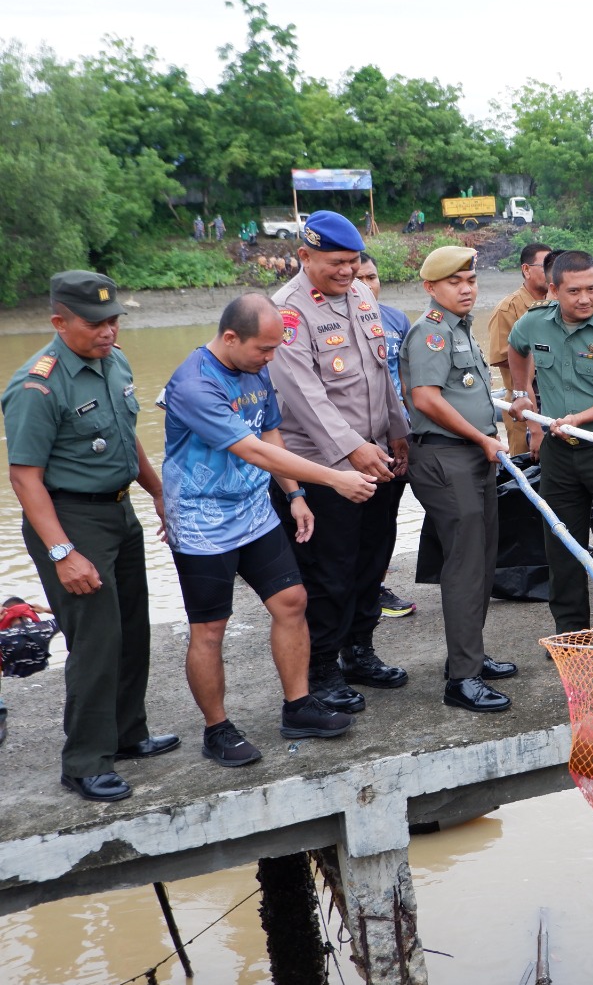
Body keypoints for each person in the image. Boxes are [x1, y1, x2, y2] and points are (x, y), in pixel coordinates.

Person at [161, 294, 372, 765]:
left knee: (292, 600)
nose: (270, 359)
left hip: (254, 508)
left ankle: (298, 707)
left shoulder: (255, 366)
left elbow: (271, 428)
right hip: (202, 517)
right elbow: (253, 449)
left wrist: (294, 494)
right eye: (264, 349)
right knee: (210, 627)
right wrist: (335, 477)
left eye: (276, 349)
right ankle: (217, 729)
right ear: (231, 337)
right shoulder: (195, 384)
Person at [3, 271, 178, 802]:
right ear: (60, 321)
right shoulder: (38, 384)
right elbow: (24, 477)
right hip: (71, 520)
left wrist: (159, 492)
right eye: (96, 322)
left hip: (118, 512)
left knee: (130, 628)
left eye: (115, 319)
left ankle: (127, 735)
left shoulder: (115, 361)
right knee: (96, 641)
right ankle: (83, 761)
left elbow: (128, 441)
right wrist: (62, 553)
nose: (109, 330)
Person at [270, 211, 410, 713]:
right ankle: (321, 667)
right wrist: (352, 450)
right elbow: (305, 397)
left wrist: (399, 432)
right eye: (336, 263)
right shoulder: (287, 312)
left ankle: (359, 650)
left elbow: (381, 373)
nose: (348, 271)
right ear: (304, 257)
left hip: (377, 457)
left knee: (372, 560)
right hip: (323, 466)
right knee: (328, 571)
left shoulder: (362, 296)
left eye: (354, 262)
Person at [401, 246, 519, 712]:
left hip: (472, 457)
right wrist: (483, 437)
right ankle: (461, 681)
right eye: (455, 282)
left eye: (470, 280)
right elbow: (426, 399)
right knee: (466, 567)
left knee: (483, 561)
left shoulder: (461, 330)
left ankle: (469, 657)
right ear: (431, 288)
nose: (466, 288)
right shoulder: (430, 334)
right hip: (447, 458)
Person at [507, 251, 593, 636]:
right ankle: (572, 637)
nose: (584, 298)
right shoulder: (534, 322)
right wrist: (523, 393)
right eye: (573, 291)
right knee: (563, 546)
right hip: (558, 452)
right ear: (553, 290)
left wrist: (580, 419)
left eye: (591, 289)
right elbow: (515, 349)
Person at [356, 253, 418, 621]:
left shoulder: (397, 320)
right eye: (358, 278)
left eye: (372, 276)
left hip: (396, 435)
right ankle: (356, 588)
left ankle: (375, 585)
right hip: (355, 442)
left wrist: (408, 432)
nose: (366, 285)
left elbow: (406, 380)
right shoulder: (337, 322)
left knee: (388, 516)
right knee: (356, 520)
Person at [487, 242, 553, 458]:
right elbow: (502, 357)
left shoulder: (558, 304)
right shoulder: (509, 309)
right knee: (525, 465)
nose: (551, 273)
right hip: (521, 405)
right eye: (545, 266)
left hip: (554, 402)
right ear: (526, 270)